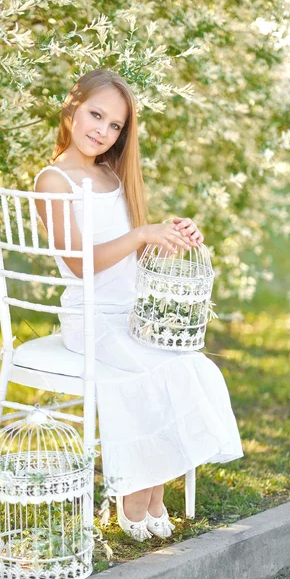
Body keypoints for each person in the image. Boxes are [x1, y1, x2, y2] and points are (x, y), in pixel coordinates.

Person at [34, 68, 244, 542]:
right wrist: (141, 234)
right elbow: (83, 265)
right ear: (72, 104)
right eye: (96, 115)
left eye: (115, 126)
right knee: (154, 370)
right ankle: (136, 493)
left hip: (131, 312)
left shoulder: (112, 173)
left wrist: (168, 235)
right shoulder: (54, 180)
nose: (102, 131)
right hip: (89, 317)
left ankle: (151, 490)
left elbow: (133, 254)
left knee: (186, 365)